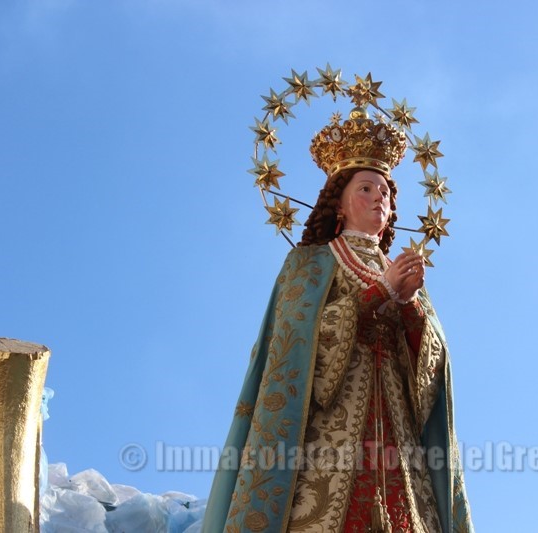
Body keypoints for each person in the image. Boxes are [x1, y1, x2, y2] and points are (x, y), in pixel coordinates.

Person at [202, 108, 473, 533]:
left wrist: (410, 307)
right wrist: (378, 295)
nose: (379, 198)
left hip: (398, 438)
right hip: (329, 435)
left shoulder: (402, 272)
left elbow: (434, 370)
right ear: (339, 203)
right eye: (366, 188)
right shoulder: (310, 263)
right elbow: (294, 344)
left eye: (385, 192)